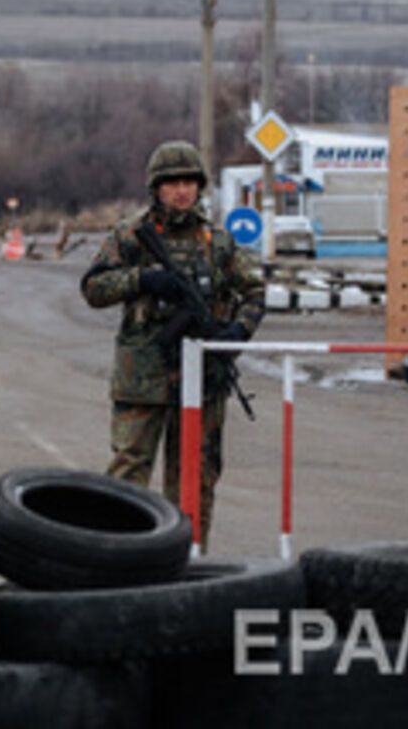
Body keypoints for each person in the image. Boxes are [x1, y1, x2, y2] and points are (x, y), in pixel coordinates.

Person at [82, 140, 265, 549]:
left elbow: (255, 291)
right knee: (128, 474)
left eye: (188, 182)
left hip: (203, 376)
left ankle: (188, 557)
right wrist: (141, 279)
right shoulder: (131, 235)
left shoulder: (217, 242)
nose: (181, 191)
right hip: (143, 374)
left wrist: (237, 334)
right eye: (171, 183)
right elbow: (93, 287)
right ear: (156, 188)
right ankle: (120, 556)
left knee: (196, 476)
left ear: (200, 187)